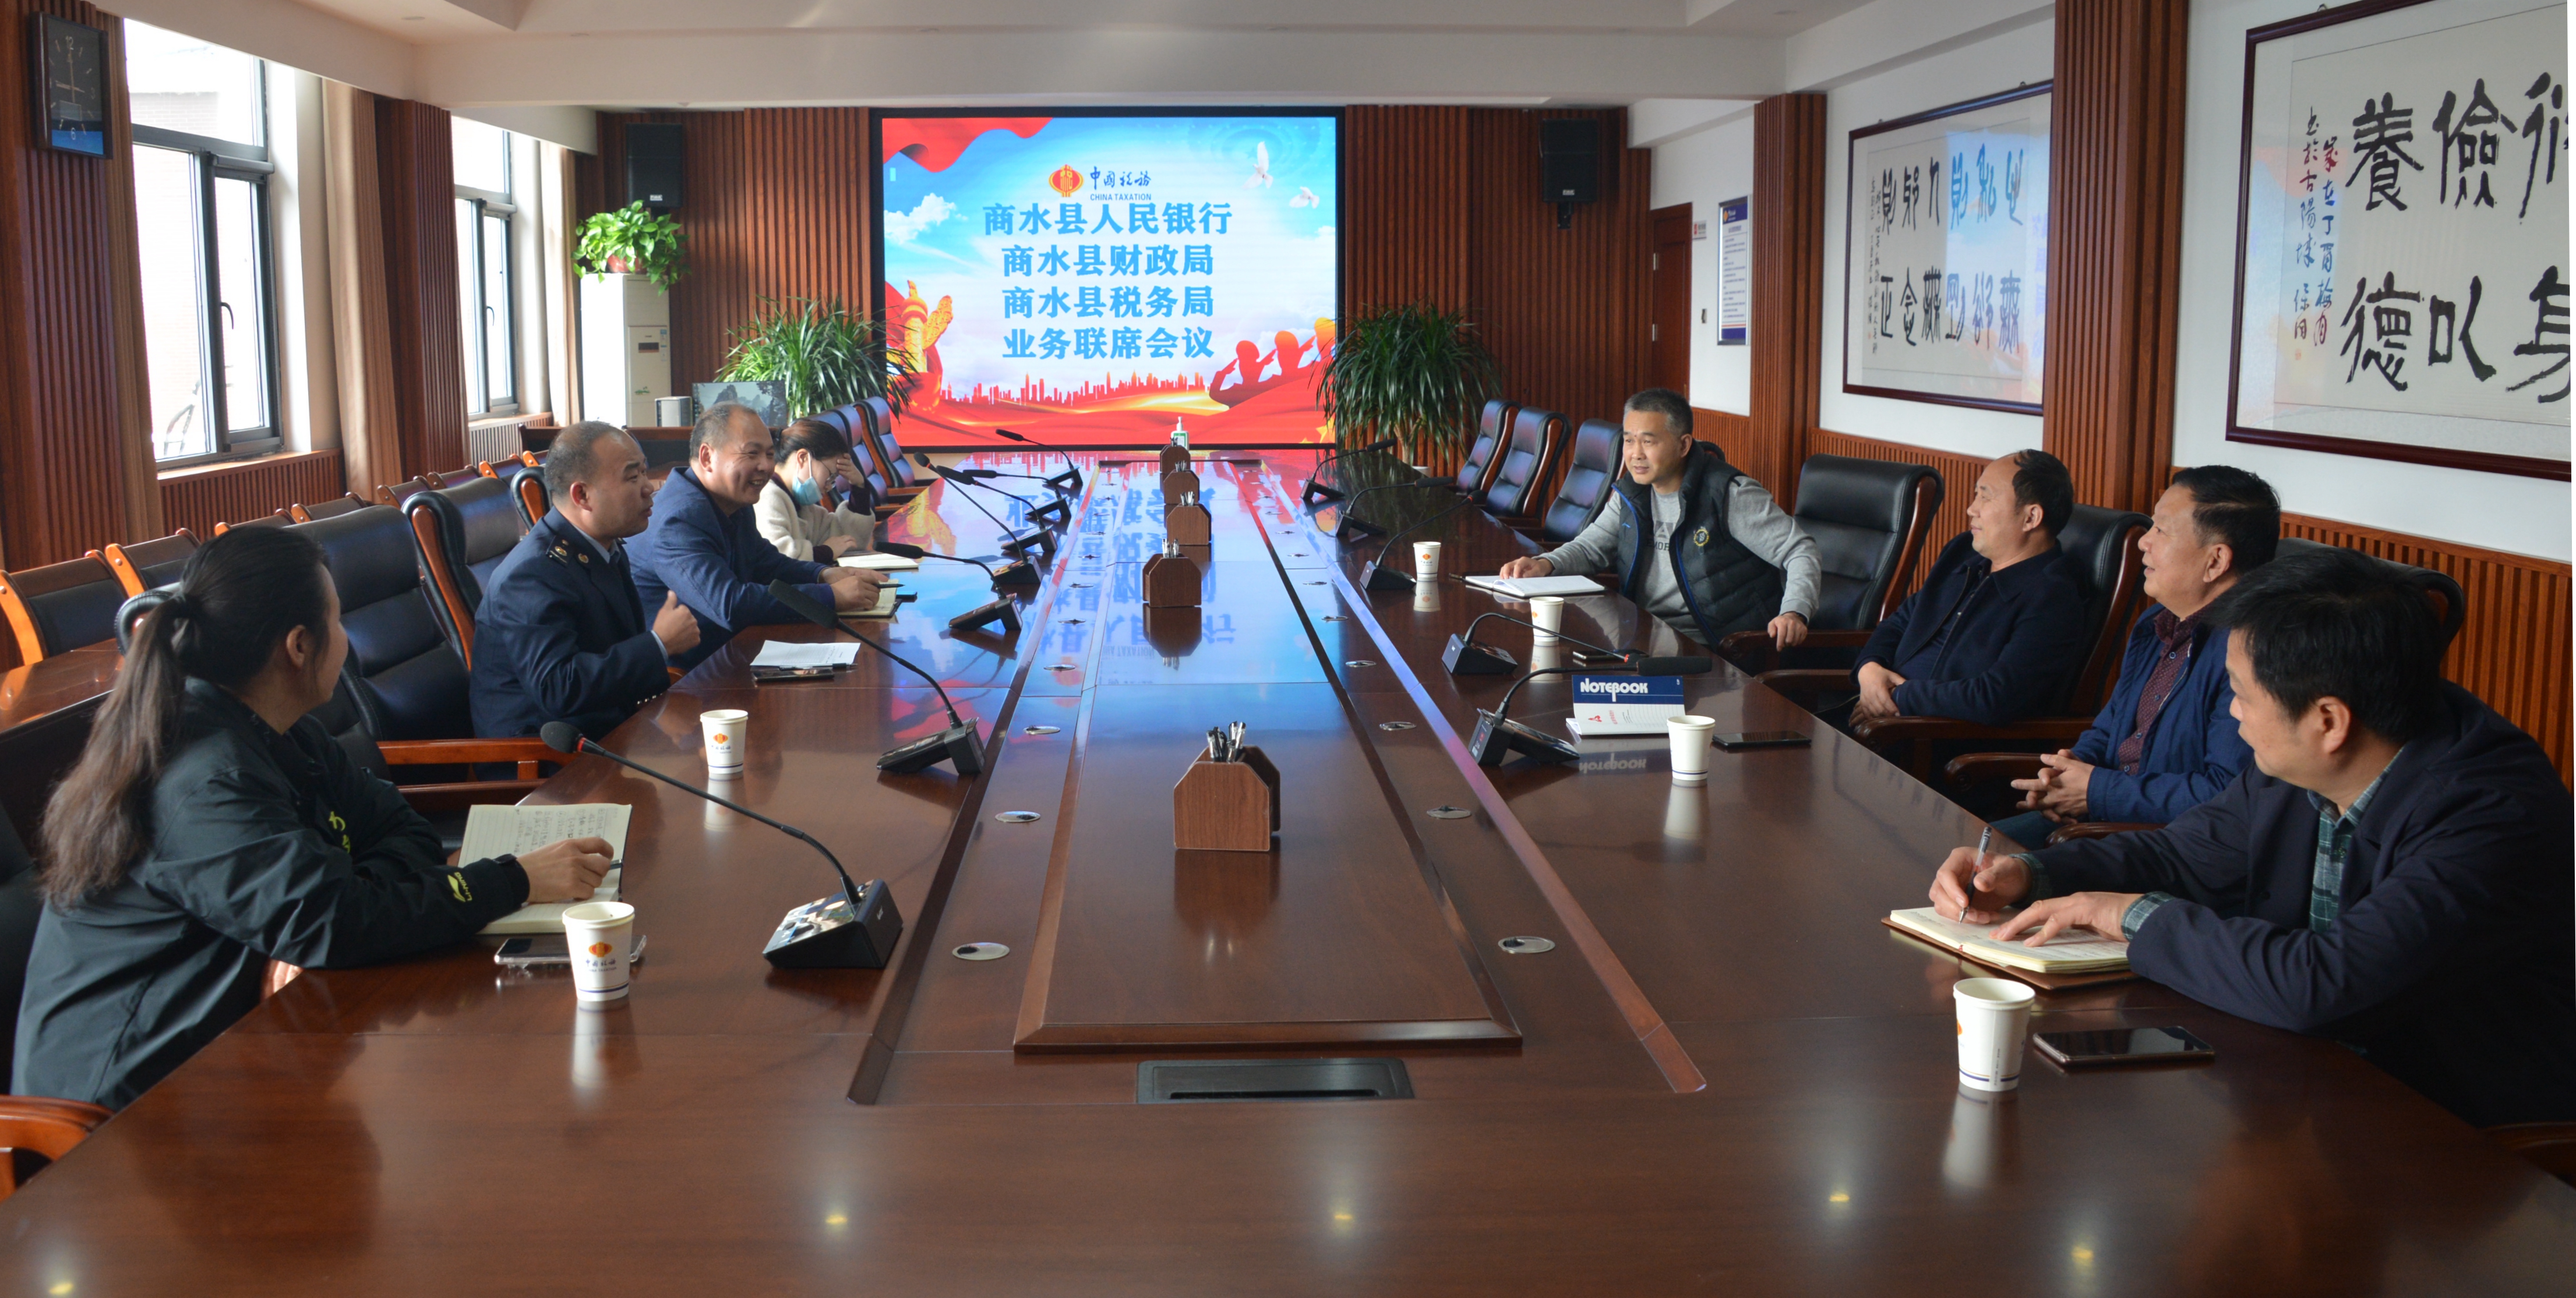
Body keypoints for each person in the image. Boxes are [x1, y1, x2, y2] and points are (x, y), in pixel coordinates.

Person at [1929, 547, 2575, 1126]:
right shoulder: (2308, 758)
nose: (2233, 713)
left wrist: (2129, 916)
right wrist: (2030, 873)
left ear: (2328, 720)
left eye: (2239, 693)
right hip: (2304, 1082)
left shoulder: (2489, 813)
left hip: (2457, 1134)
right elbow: (2179, 854)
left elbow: (2327, 985)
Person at [15, 528, 615, 1108]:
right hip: (125, 1110)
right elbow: (336, 923)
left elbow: (400, 835)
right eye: (338, 621)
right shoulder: (204, 779)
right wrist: (513, 879)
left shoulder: (280, 730)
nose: (346, 640)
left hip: (231, 1050)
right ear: (299, 646)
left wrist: (351, 900)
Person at [1989, 465, 2279, 848]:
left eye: (2162, 530)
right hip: (2096, 819)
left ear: (2215, 561)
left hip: (2161, 847)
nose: (2145, 541)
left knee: (1970, 869)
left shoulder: (2249, 654)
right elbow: (2110, 728)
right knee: (1951, 854)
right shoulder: (2155, 623)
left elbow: (2223, 793)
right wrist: (2067, 772)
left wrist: (2096, 790)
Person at [1498, 388, 1820, 649]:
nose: (1635, 453)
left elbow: (1800, 550)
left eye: (1648, 441)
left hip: (1714, 645)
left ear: (1683, 445)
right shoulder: (1632, 492)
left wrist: (1794, 611)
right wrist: (1545, 564)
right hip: (1642, 633)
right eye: (1629, 440)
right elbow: (1590, 547)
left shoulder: (1728, 494)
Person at [472, 421, 700, 740]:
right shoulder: (532, 573)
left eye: (644, 472)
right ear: (582, 495)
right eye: (632, 477)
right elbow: (559, 690)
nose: (649, 488)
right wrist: (659, 644)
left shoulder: (603, 547)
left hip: (607, 732)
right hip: (545, 757)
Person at [631, 402, 886, 668]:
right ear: (707, 458)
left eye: (769, 454)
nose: (766, 466)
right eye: (752, 453)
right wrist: (831, 597)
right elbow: (730, 604)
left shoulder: (732, 501)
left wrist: (824, 574)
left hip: (731, 650)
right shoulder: (680, 518)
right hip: (688, 674)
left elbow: (767, 564)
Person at [1848, 450, 2087, 728]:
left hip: (1931, 739)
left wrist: (1896, 697)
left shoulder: (2052, 600)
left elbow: (1995, 697)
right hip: (1880, 719)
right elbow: (1899, 623)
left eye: (1986, 497)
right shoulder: (1963, 554)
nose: (1971, 509)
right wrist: (1870, 670)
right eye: (1976, 494)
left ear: (2030, 518)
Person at [756, 418, 876, 563]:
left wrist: (859, 487)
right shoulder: (767, 496)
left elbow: (846, 541)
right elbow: (778, 559)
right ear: (803, 458)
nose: (828, 487)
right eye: (830, 476)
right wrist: (827, 551)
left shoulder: (802, 505)